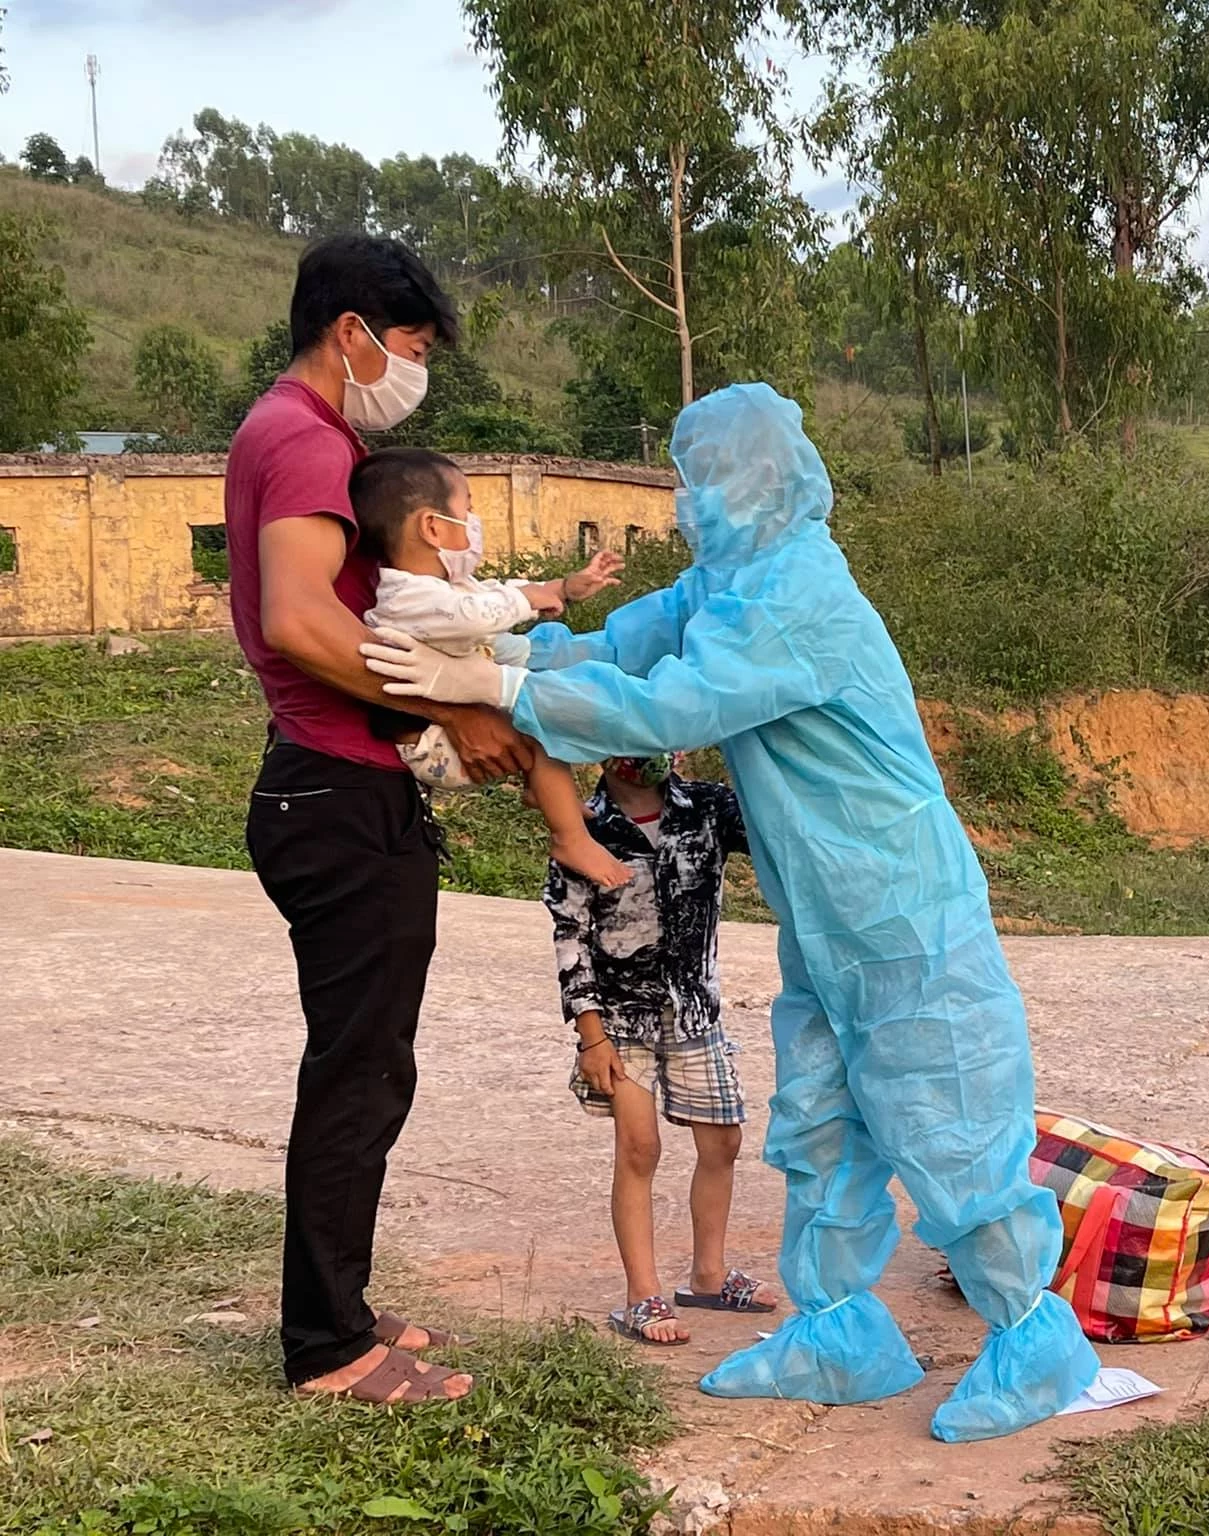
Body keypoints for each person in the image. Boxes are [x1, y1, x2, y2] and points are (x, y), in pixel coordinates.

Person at [363, 383, 1100, 1443]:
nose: (683, 505)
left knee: (949, 1128)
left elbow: (677, 705)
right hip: (826, 923)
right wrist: (501, 662)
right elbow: (624, 649)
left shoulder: (798, 591)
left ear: (755, 481)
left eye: (697, 480)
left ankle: (1034, 1340)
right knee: (821, 1126)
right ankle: (841, 1334)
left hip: (905, 909)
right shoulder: (724, 581)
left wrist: (499, 692)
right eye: (680, 480)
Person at [227, 234, 527, 1406]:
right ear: (350, 331)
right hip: (333, 792)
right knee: (357, 1073)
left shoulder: (304, 436)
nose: (412, 368)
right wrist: (458, 704)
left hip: (342, 783)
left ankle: (335, 1306)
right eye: (406, 346)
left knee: (367, 1065)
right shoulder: (302, 437)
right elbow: (304, 623)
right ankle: (327, 1347)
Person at [543, 753, 780, 1345]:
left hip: (694, 1010)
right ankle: (641, 1296)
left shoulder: (708, 807)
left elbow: (781, 834)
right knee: (639, 1148)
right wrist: (590, 1037)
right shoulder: (582, 826)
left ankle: (707, 1275)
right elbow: (569, 939)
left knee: (723, 1141)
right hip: (619, 1022)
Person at [352, 446, 629, 889]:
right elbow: (474, 614)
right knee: (542, 725)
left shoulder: (445, 586)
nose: (476, 523)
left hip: (446, 728)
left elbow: (490, 593)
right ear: (432, 526)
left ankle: (545, 791)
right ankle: (569, 837)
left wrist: (562, 587)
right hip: (434, 745)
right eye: (469, 509)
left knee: (541, 710)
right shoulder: (408, 597)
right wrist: (527, 601)